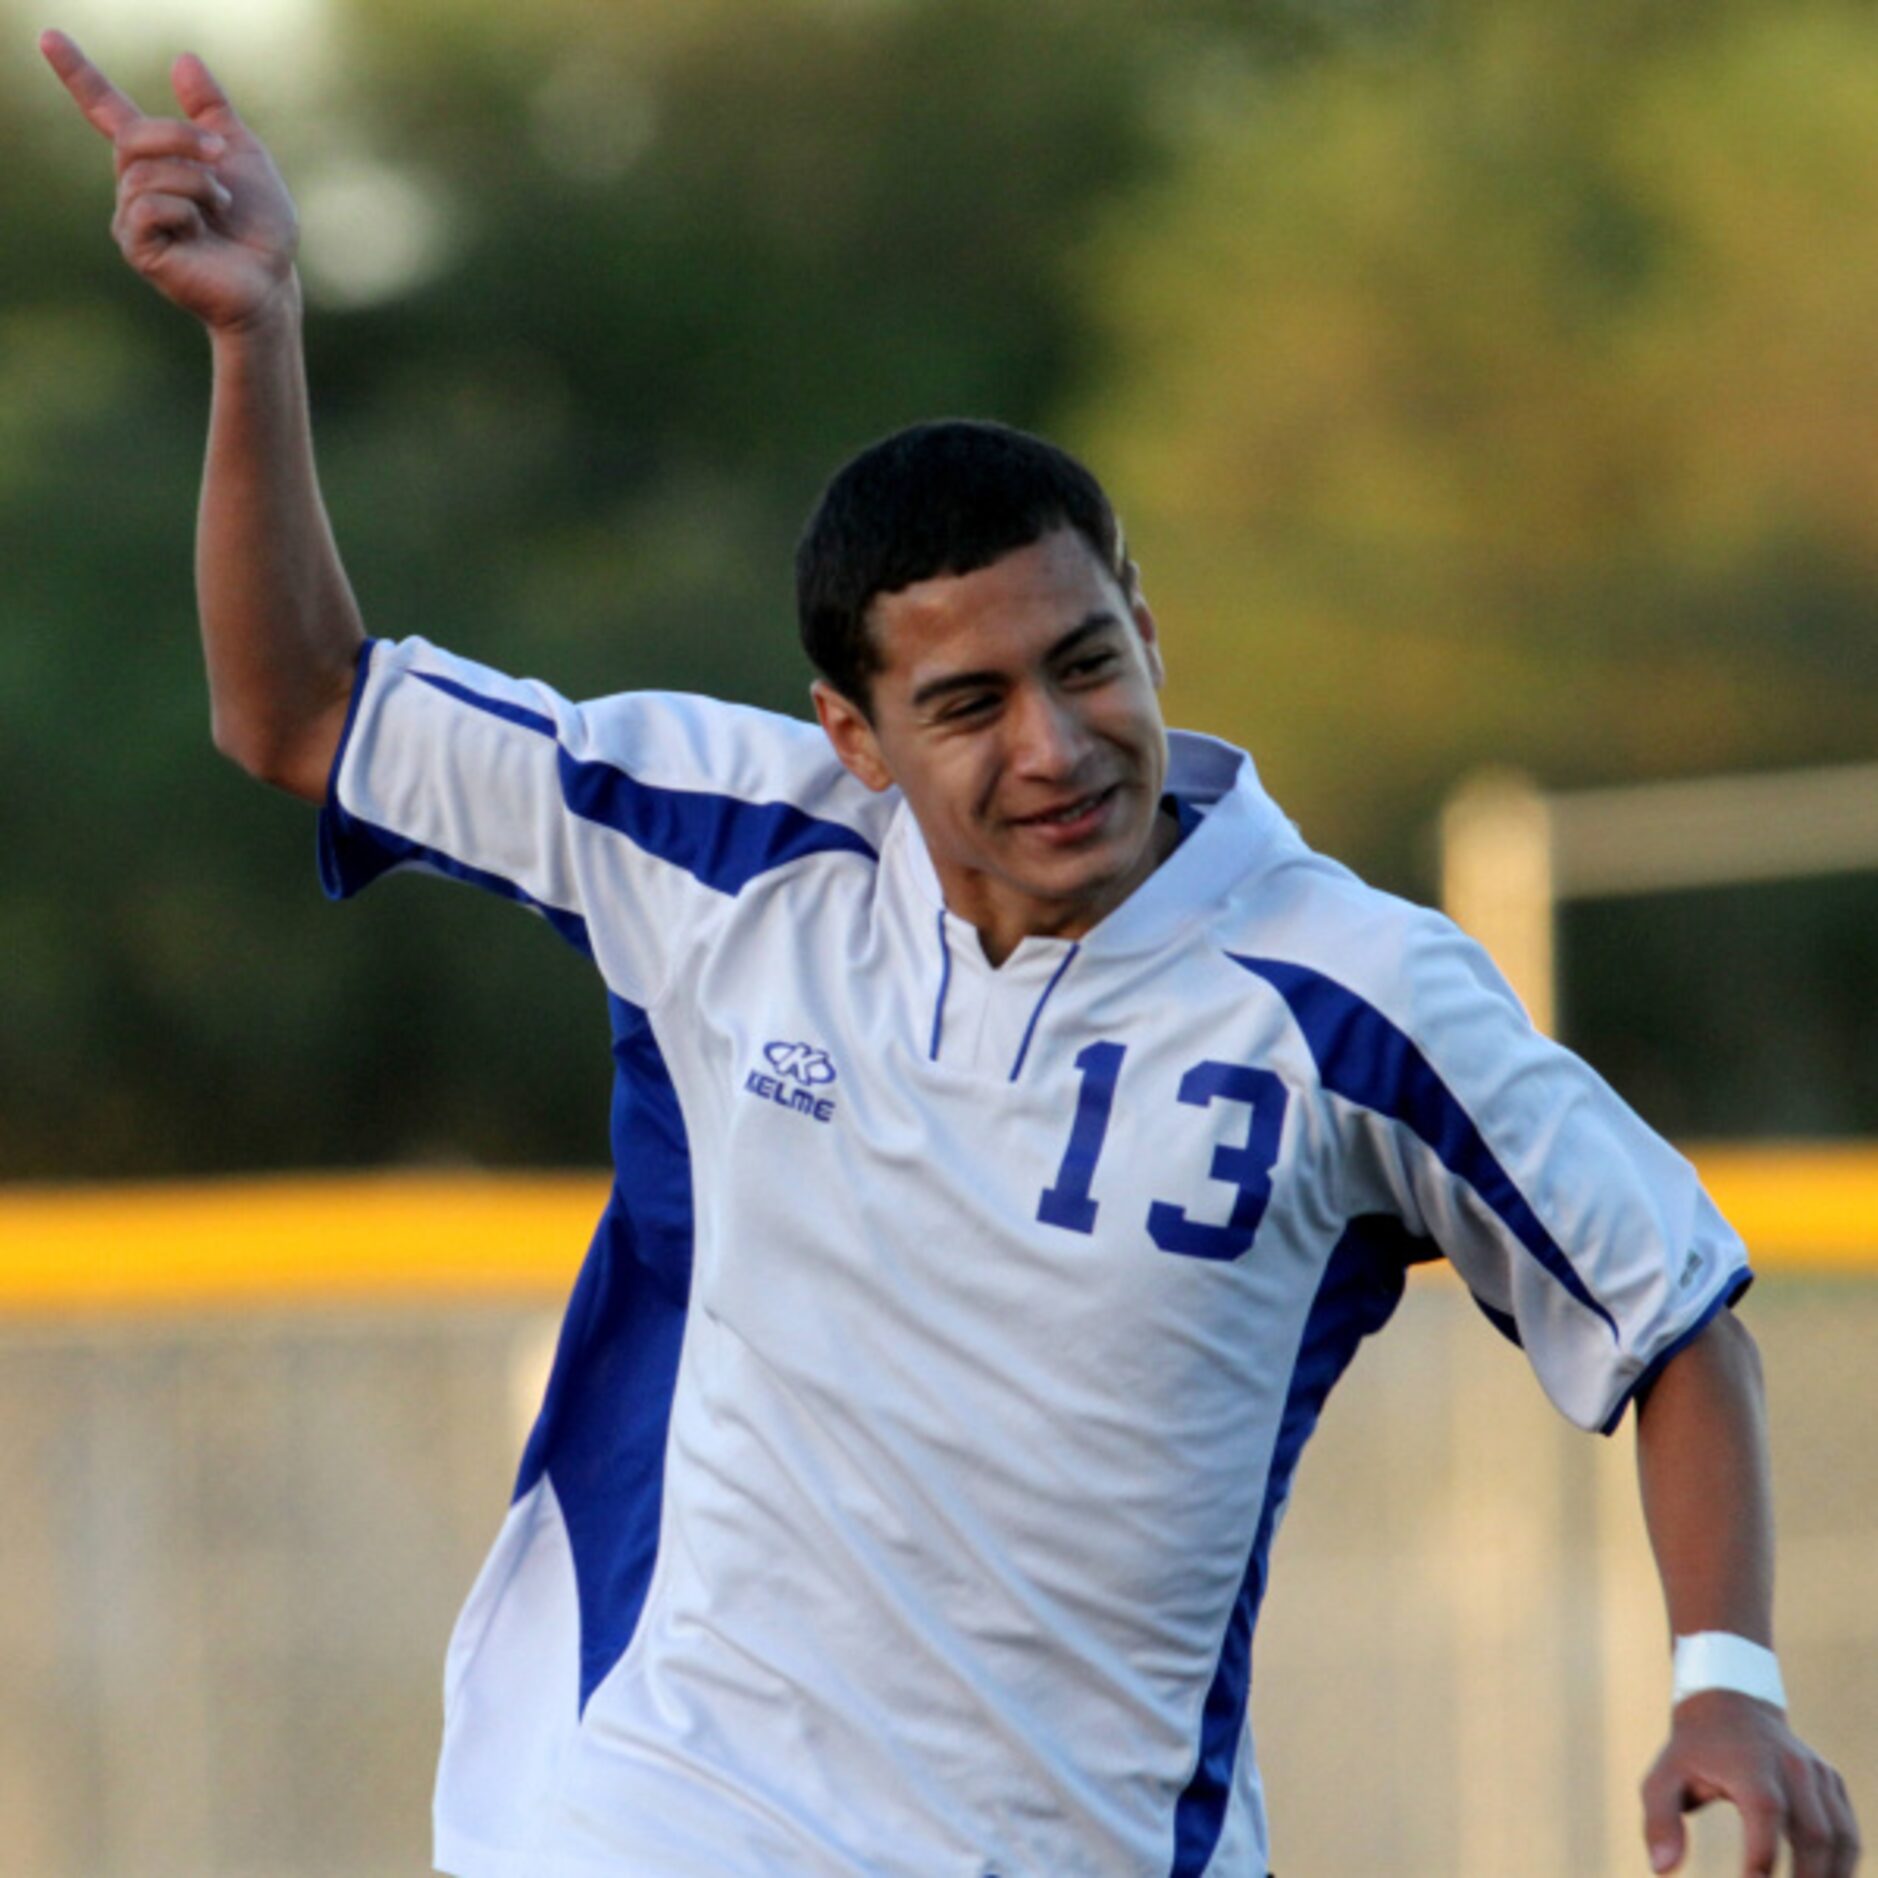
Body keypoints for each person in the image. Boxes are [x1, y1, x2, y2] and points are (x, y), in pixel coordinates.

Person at [41, 31, 1861, 1878]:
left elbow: (1674, 1313)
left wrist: (1724, 1676)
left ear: (1145, 622)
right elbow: (302, 712)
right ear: (854, 732)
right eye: (969, 702)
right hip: (680, 1811)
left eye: (1085, 662)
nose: (1054, 746)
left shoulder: (1356, 993)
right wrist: (254, 337)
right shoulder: (723, 842)